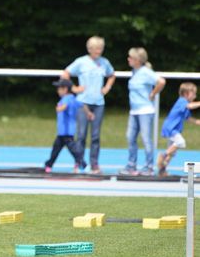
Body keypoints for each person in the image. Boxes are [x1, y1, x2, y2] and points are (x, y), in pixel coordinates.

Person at [62, 36, 116, 174]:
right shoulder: (81, 62)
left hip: (98, 103)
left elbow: (112, 75)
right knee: (80, 135)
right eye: (96, 48)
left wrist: (107, 88)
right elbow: (65, 73)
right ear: (89, 49)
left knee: (95, 136)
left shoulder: (104, 62)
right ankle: (79, 162)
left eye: (101, 48)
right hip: (82, 103)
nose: (99, 51)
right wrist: (73, 89)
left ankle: (94, 164)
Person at [119, 48, 166, 176]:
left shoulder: (146, 72)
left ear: (138, 60)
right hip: (134, 111)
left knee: (146, 139)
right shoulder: (134, 71)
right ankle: (131, 165)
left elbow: (161, 81)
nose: (128, 59)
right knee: (130, 137)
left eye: (130, 57)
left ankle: (149, 167)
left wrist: (153, 94)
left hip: (145, 110)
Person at [45, 79, 93, 173]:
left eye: (59, 88)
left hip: (66, 133)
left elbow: (65, 105)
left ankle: (84, 165)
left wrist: (60, 108)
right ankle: (49, 165)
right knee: (56, 150)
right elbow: (82, 105)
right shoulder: (73, 99)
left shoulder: (67, 99)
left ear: (65, 89)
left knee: (73, 151)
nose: (58, 91)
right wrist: (88, 113)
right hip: (63, 132)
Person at [157, 82, 200, 177]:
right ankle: (162, 155)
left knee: (172, 152)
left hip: (174, 129)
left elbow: (188, 118)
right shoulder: (182, 101)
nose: (195, 96)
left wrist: (197, 121)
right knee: (181, 142)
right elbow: (190, 106)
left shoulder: (185, 105)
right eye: (193, 93)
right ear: (186, 94)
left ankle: (162, 170)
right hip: (171, 128)